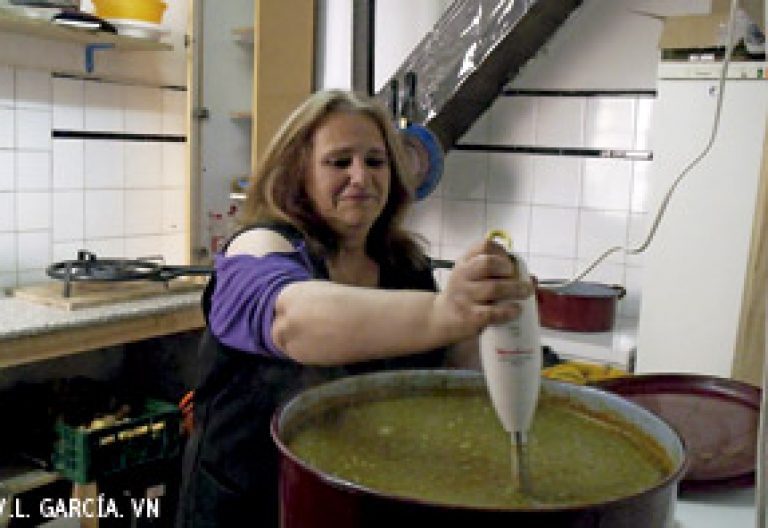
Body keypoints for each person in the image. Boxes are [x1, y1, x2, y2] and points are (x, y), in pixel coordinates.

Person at [176, 89, 533, 527]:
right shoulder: (259, 247)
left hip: (356, 501)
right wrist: (445, 313)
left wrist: (491, 317)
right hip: (249, 506)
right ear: (298, 173)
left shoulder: (405, 266)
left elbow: (452, 373)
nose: (361, 177)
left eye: (375, 161)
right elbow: (291, 320)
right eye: (339, 162)